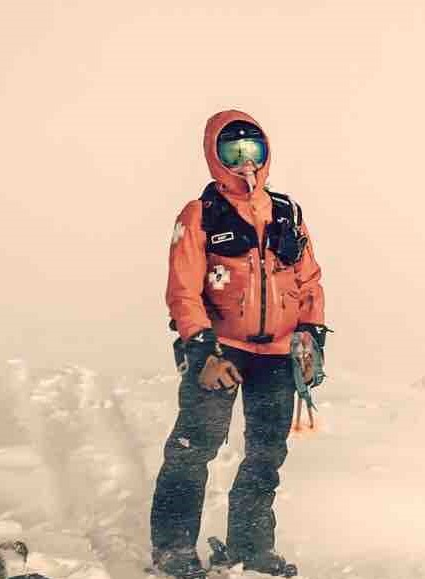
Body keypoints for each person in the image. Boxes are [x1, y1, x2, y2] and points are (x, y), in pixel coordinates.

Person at [150, 110, 328, 579]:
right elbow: (183, 290)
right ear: (215, 156)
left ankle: (250, 548)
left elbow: (309, 281)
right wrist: (202, 350)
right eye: (233, 152)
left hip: (277, 356)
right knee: (193, 449)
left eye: (254, 151)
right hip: (219, 350)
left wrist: (311, 337)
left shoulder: (288, 213)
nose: (245, 163)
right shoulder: (200, 215)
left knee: (267, 454)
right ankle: (173, 551)